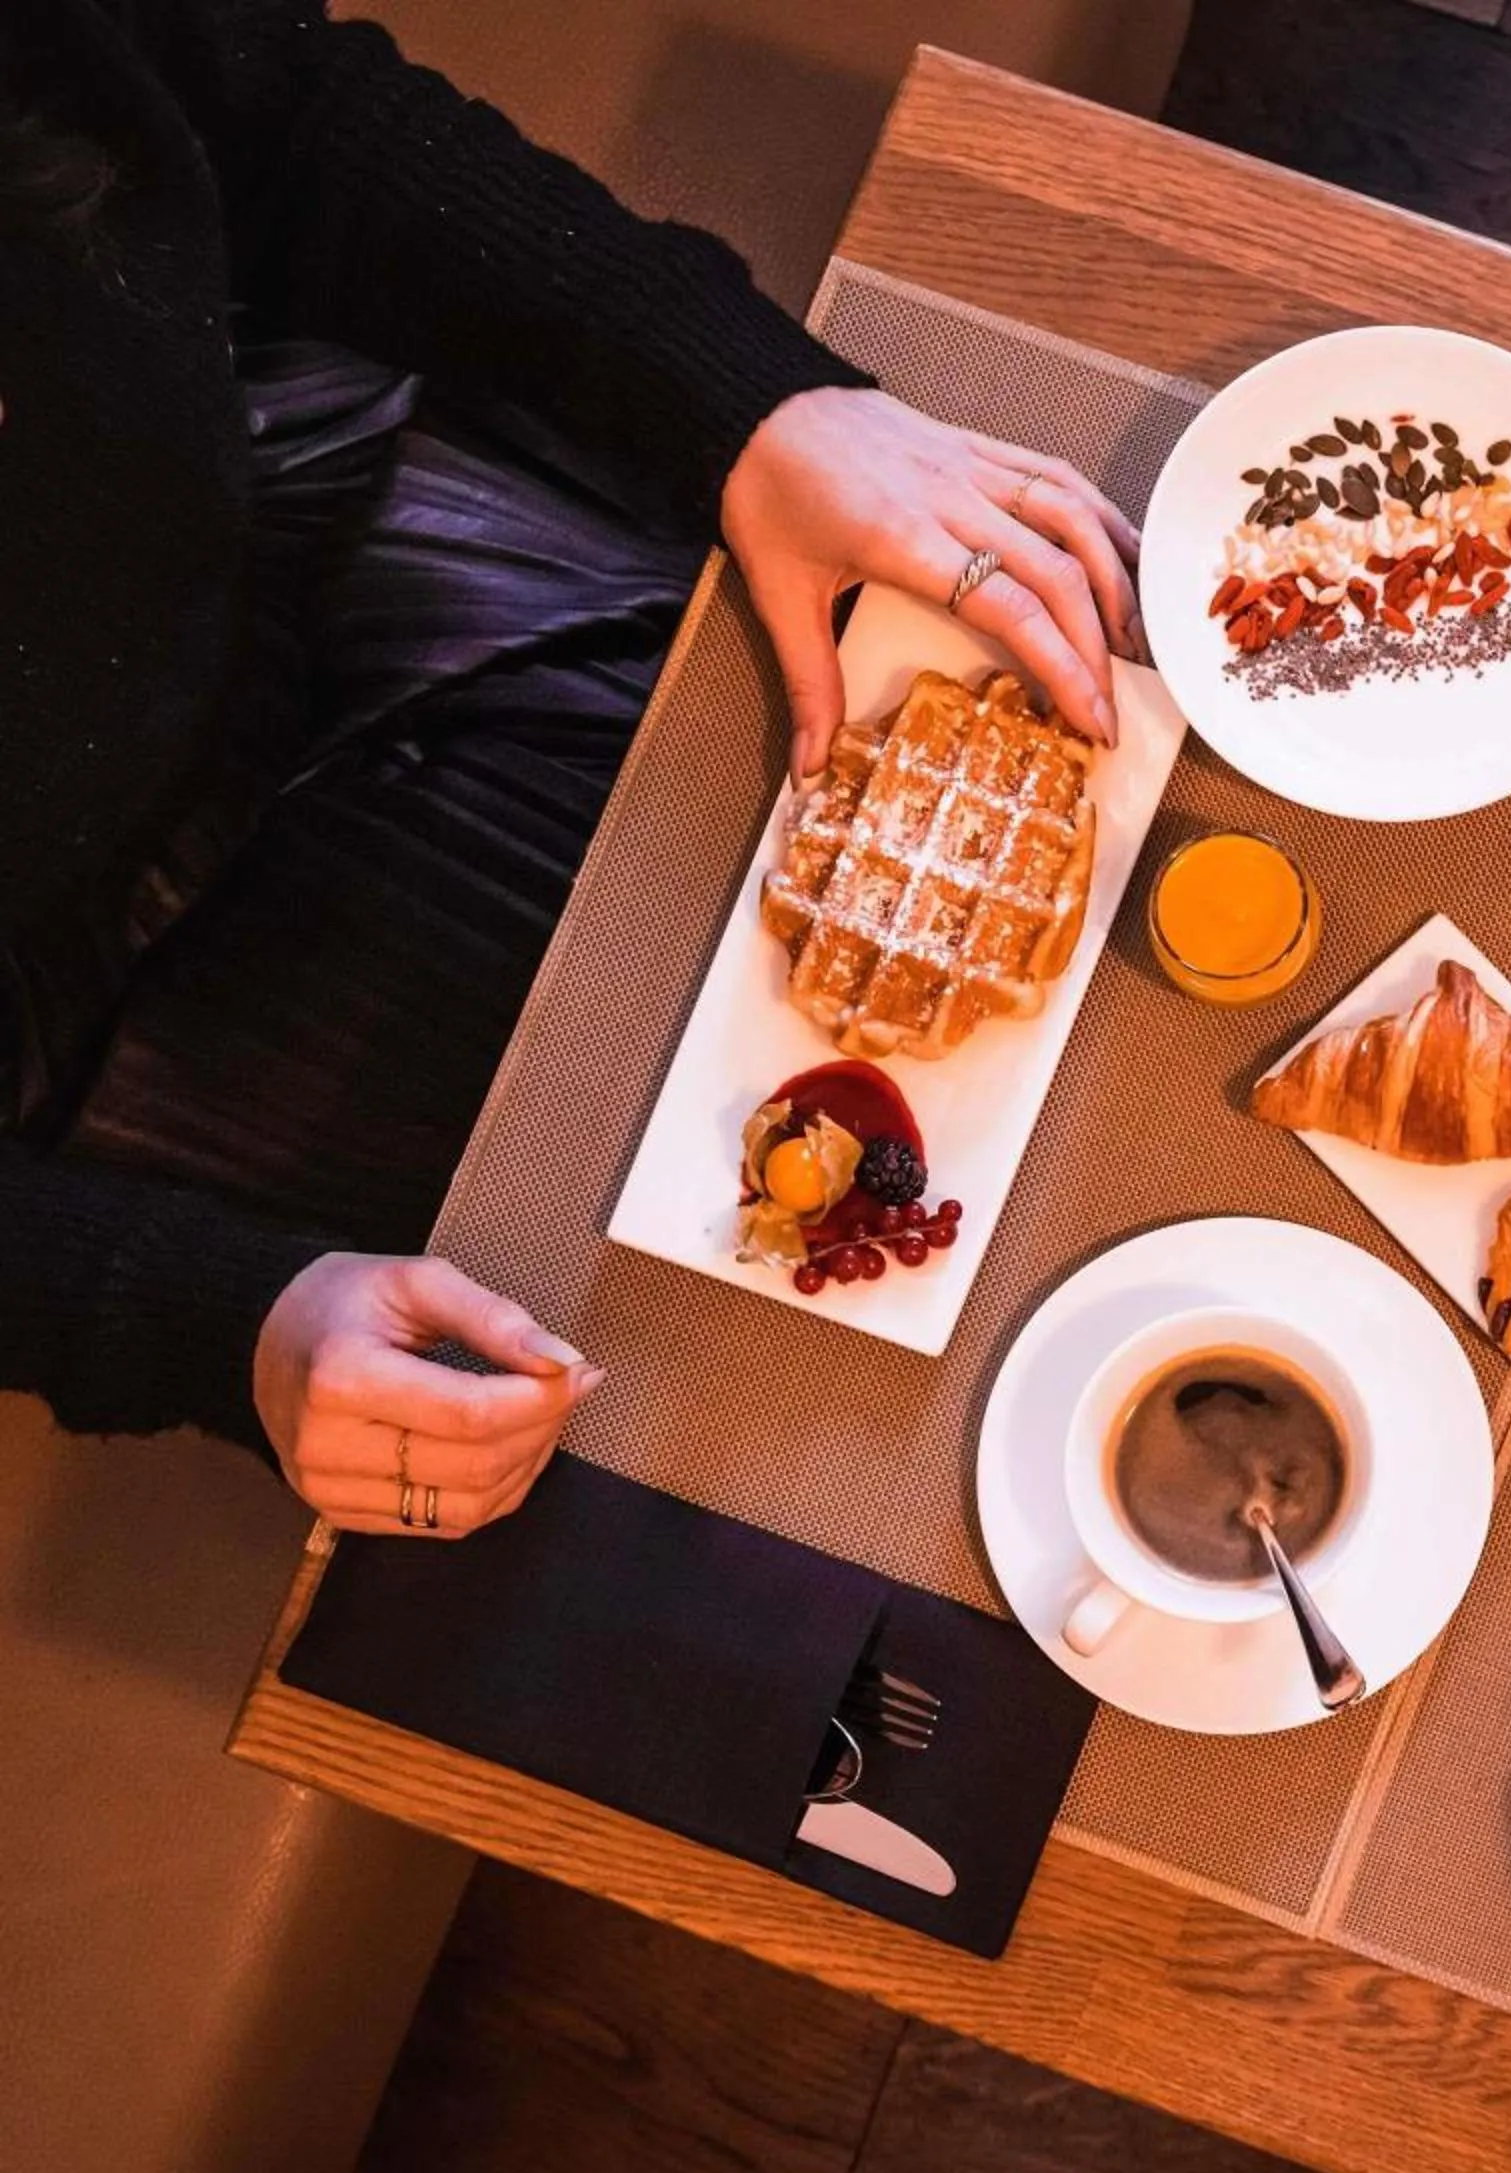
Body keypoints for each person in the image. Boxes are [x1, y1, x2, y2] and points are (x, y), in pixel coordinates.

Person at [2, 0, 1141, 1537]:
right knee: (779, 1414)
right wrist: (218, 1322)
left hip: (300, 505)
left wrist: (746, 399)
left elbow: (274, 118)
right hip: (95, 989)